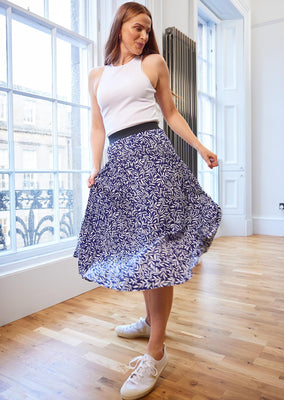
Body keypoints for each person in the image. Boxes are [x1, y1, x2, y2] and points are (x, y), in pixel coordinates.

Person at [73, 2, 222, 399]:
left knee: (158, 252)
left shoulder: (154, 62)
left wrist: (201, 147)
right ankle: (148, 320)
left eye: (146, 30)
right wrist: (95, 167)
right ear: (120, 26)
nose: (142, 36)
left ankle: (156, 352)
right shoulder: (96, 76)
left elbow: (171, 114)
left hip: (153, 157)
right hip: (120, 165)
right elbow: (97, 128)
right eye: (137, 28)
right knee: (140, 250)